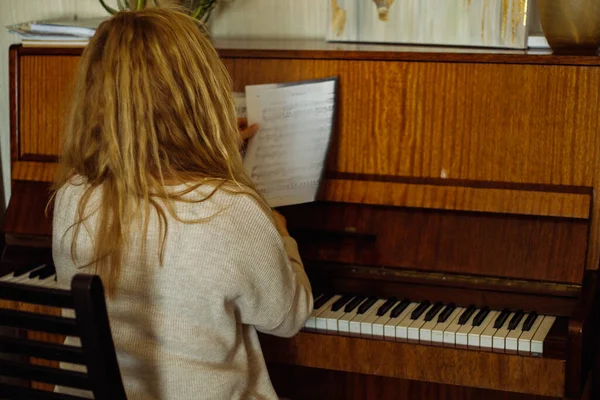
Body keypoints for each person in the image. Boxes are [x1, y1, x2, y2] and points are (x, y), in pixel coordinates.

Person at [51, 7, 313, 400]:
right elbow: (288, 316)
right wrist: (280, 231)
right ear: (201, 96)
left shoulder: (74, 194)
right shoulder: (230, 208)